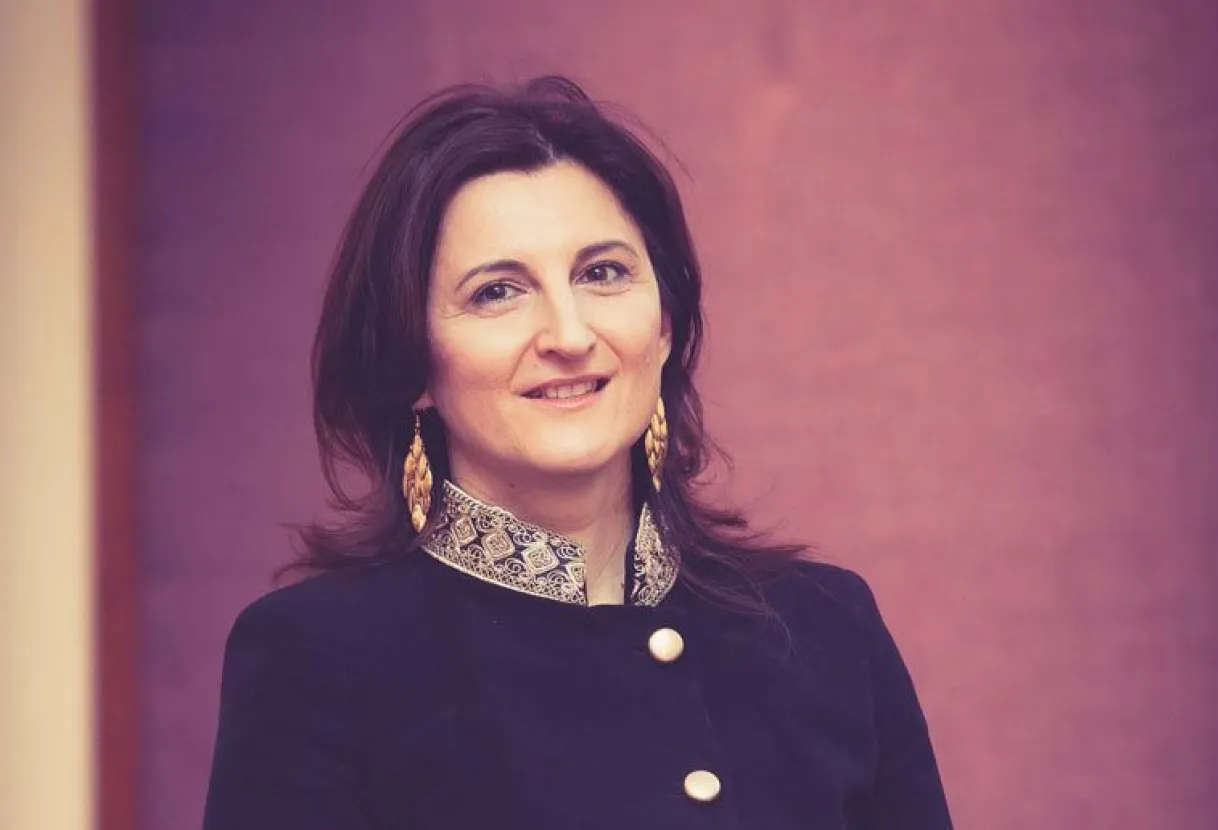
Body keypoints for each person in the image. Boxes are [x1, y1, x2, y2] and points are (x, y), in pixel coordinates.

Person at [201, 76, 954, 830]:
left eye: (602, 274)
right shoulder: (321, 656)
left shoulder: (827, 627)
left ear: (665, 324)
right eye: (497, 292)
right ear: (413, 357)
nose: (568, 334)